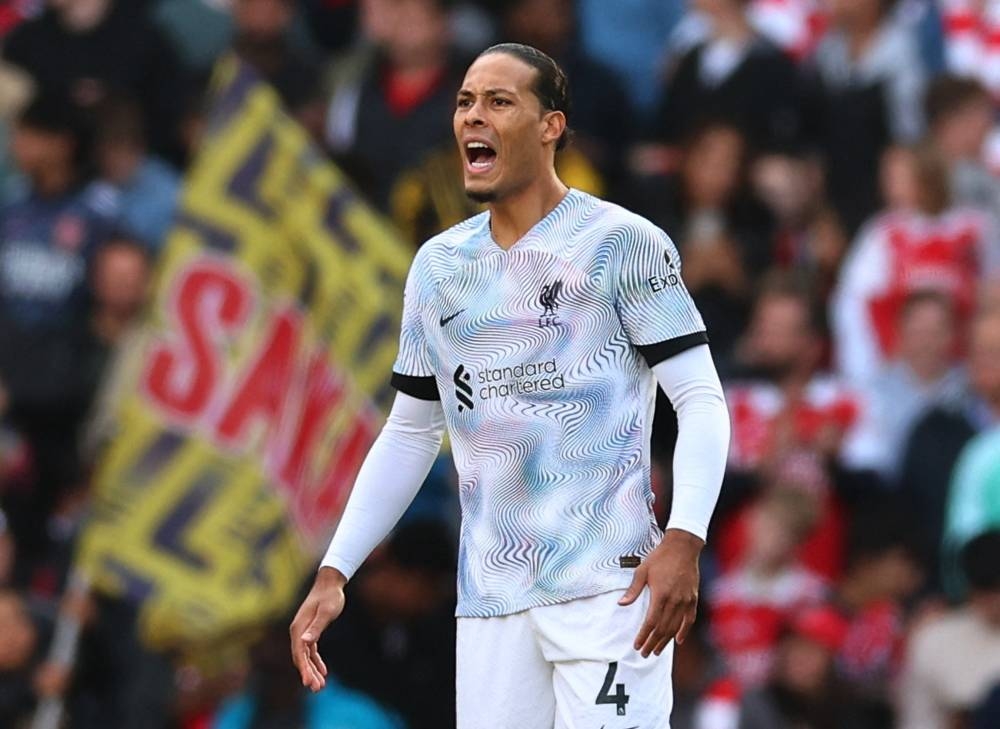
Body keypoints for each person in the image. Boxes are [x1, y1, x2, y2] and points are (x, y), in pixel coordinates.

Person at [291, 43, 731, 728]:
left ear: (551, 125)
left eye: (499, 101)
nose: (474, 116)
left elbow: (700, 398)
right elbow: (411, 429)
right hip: (491, 597)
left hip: (608, 588)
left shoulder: (622, 243)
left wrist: (686, 537)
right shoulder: (440, 268)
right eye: (465, 100)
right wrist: (336, 567)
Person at [899, 530, 1000, 729]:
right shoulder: (934, 638)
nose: (996, 602)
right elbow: (917, 718)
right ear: (970, 588)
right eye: (987, 591)